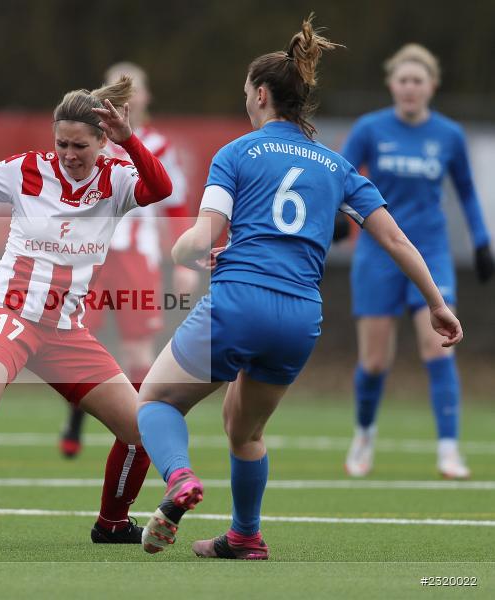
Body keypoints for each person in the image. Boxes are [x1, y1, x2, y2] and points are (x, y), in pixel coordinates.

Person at [134, 16, 463, 560]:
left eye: (246, 92)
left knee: (156, 401)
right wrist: (437, 304)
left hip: (240, 301)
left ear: (261, 95)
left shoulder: (237, 153)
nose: (246, 100)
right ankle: (244, 535)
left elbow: (202, 240)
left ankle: (179, 479)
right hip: (299, 316)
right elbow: (397, 240)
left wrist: (184, 251)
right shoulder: (336, 164)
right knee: (243, 429)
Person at [0, 76, 173, 543]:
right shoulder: (25, 169)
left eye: (80, 146)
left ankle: (111, 523)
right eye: (62, 144)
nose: (69, 155)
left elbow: (160, 188)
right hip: (8, 312)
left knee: (142, 429)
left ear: (102, 140)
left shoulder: (116, 178)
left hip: (66, 331)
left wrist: (129, 139)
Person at [341, 44, 492, 480]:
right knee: (373, 361)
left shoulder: (449, 135)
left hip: (431, 253)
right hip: (376, 253)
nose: (409, 88)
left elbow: (465, 190)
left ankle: (448, 450)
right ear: (392, 84)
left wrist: (482, 242)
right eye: (403, 80)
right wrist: (335, 216)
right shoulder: (370, 128)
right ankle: (364, 435)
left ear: (432, 86)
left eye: (417, 81)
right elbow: (341, 177)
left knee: (439, 348)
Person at [58, 61, 195, 459]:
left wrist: (185, 264)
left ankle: (139, 432)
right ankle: (74, 424)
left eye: (133, 88)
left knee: (138, 350)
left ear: (146, 95)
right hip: (91, 259)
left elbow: (175, 205)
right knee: (80, 341)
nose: (127, 96)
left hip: (137, 257)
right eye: (117, 88)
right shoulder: (88, 141)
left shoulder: (159, 146)